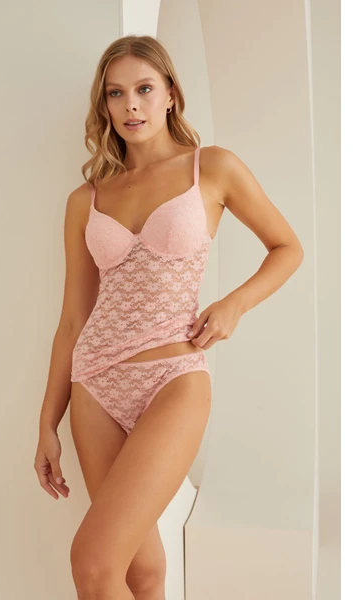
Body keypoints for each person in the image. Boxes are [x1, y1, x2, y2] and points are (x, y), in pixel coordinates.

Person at [34, 34, 304, 599]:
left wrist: (234, 304)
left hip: (175, 378)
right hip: (95, 386)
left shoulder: (212, 168)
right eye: (115, 93)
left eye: (144, 89)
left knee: (92, 563)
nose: (130, 105)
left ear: (171, 94)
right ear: (104, 105)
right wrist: (46, 425)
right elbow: (72, 320)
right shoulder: (85, 200)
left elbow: (287, 248)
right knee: (141, 571)